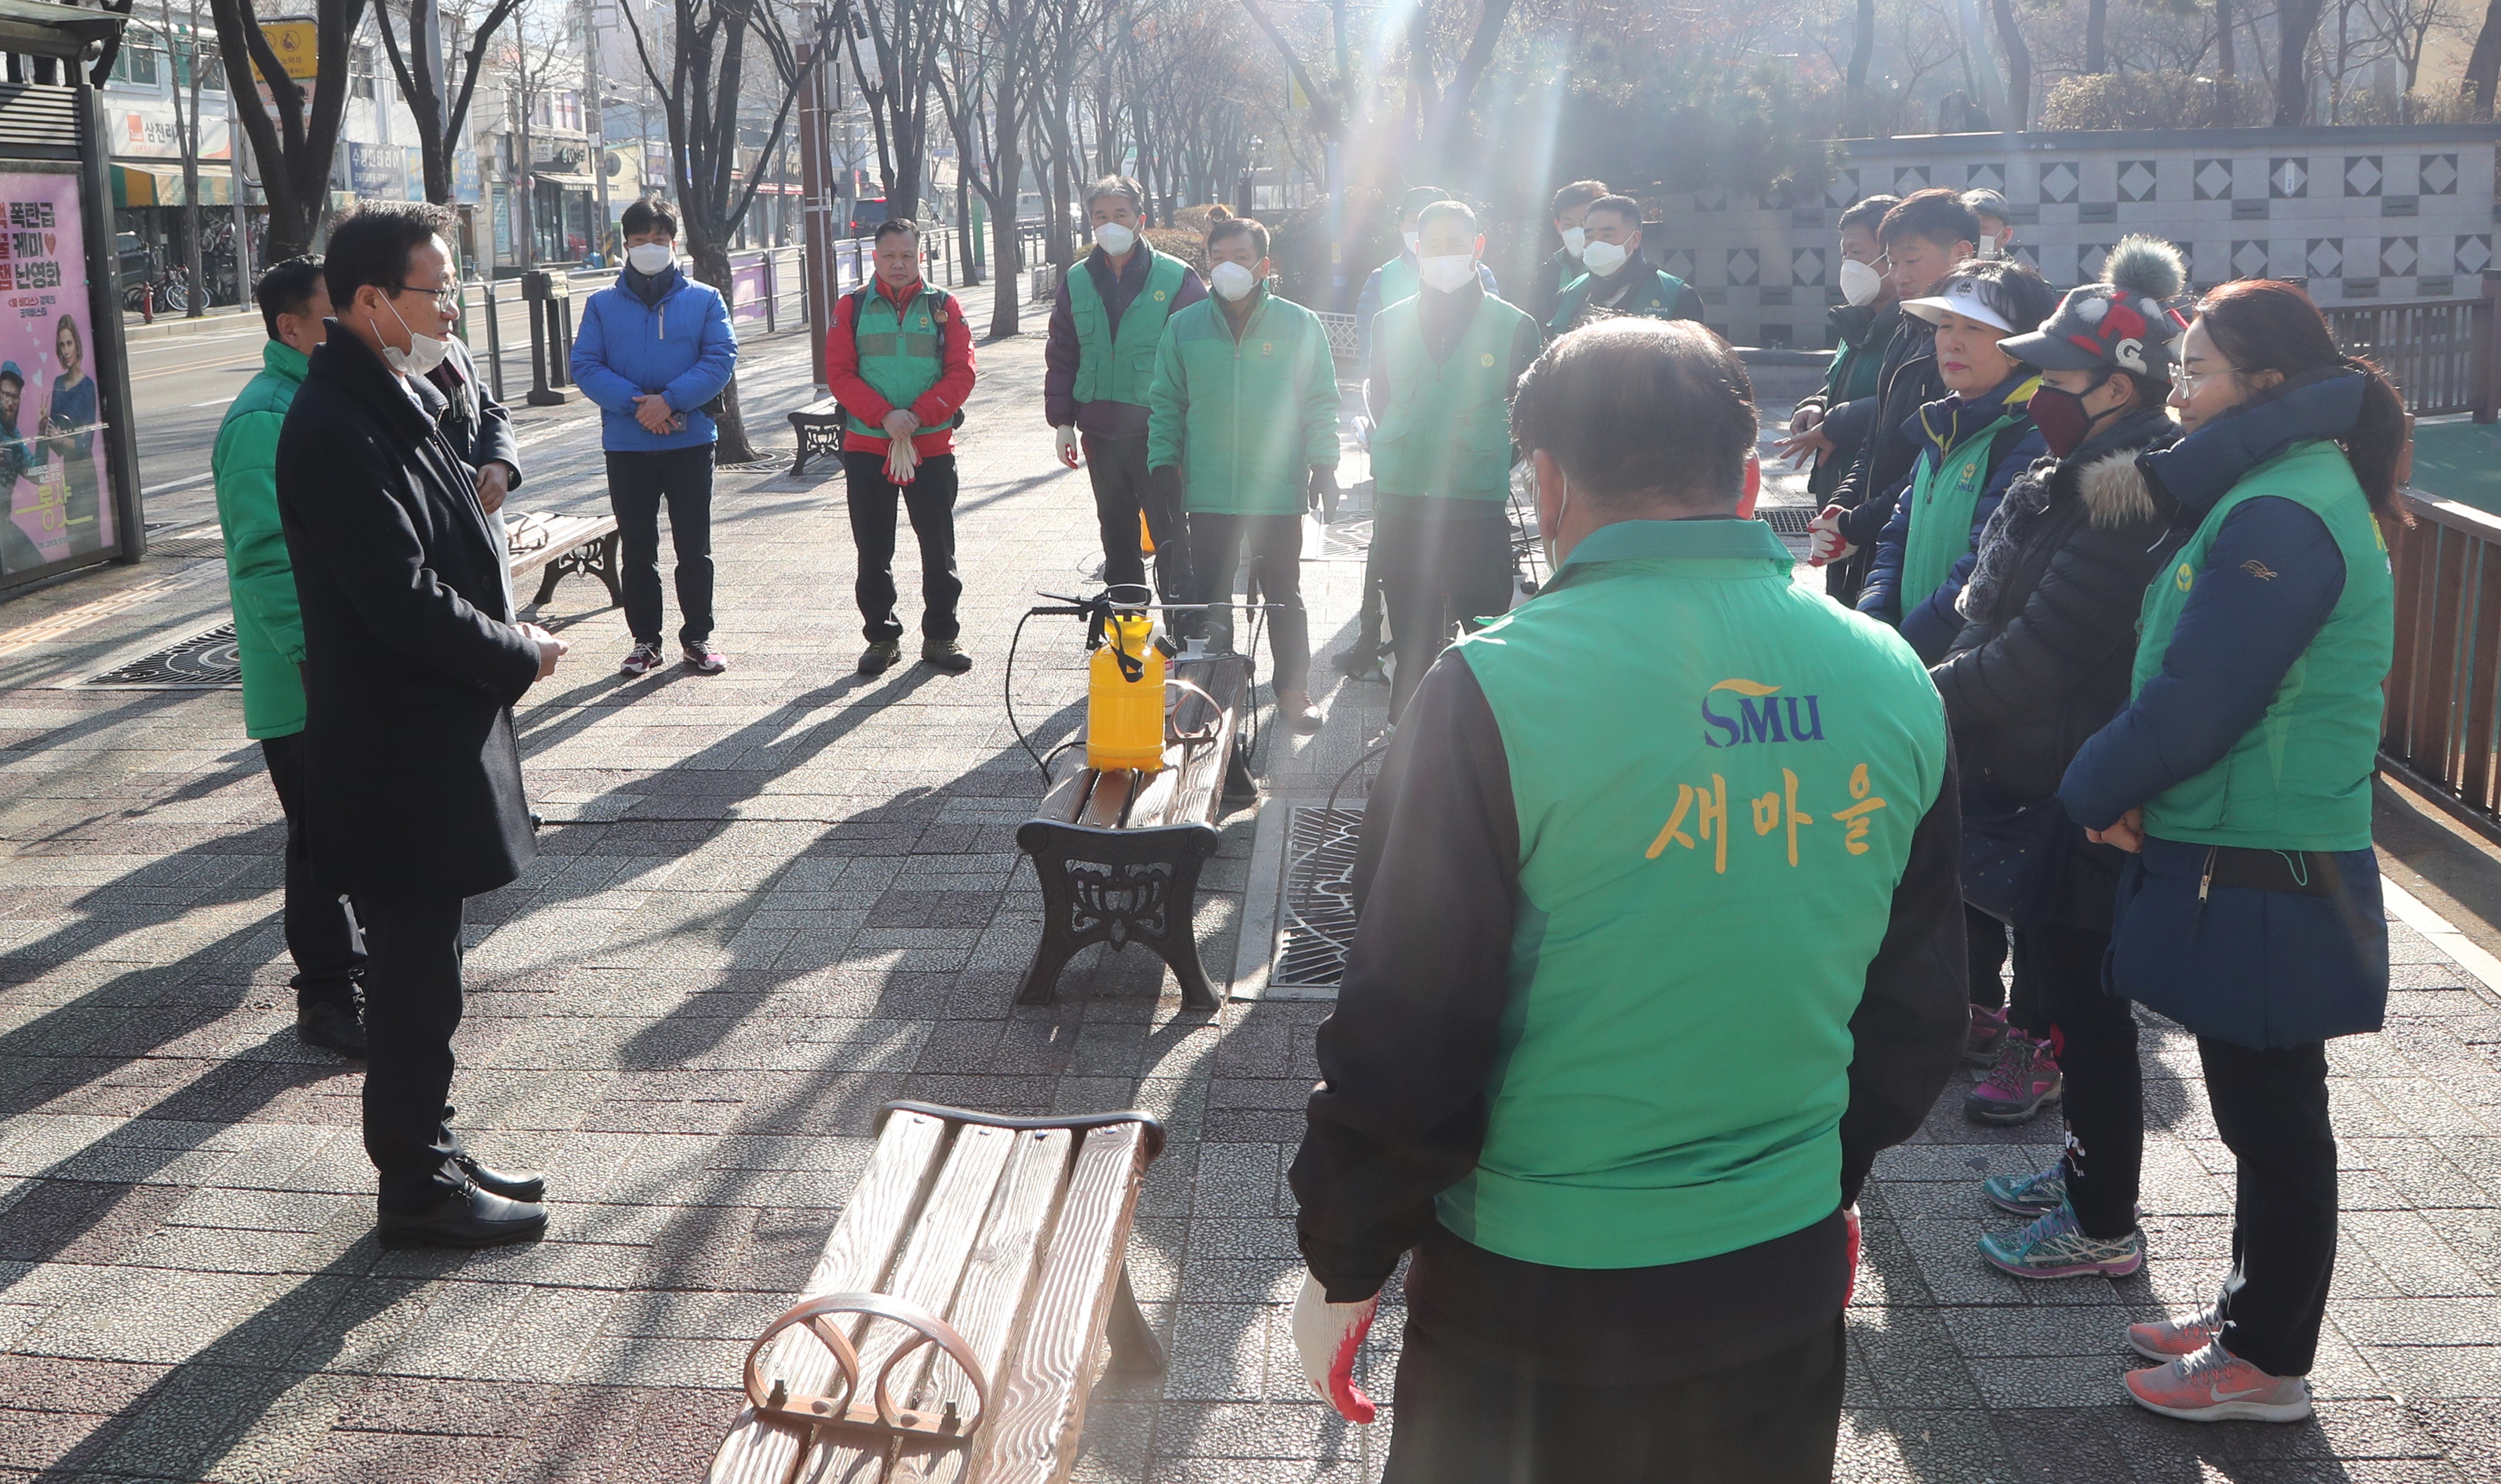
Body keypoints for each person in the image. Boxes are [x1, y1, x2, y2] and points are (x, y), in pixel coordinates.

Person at [1291, 318, 1966, 1483]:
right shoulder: (1891, 674)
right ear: (1751, 478)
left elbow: (1407, 1031)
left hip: (1530, 1300)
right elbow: (1916, 1007)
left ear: (1545, 484)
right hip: (1776, 1271)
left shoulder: (1490, 690)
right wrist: (1820, 1182)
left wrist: (1345, 1257)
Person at [2060, 280, 2400, 1424]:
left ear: (2264, 386)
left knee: (2275, 1122)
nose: (2179, 392)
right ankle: (2255, 1319)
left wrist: (2090, 786)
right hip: (2258, 853)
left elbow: (2200, 701)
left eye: (2197, 372)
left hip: (2270, 861)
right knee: (2265, 1113)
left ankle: (2265, 1365)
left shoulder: (2280, 510)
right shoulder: (2279, 489)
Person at [274, 202, 566, 1249]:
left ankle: (430, 1145)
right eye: (433, 292)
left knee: (427, 969)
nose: (449, 309)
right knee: (409, 978)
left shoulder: (389, 394)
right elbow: (396, 597)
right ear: (366, 304)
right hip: (393, 747)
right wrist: (514, 648)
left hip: (422, 733)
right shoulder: (334, 427)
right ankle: (416, 1184)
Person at [1932, 239, 2191, 1275]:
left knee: (2087, 1012)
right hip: (2035, 779)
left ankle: (2102, 1222)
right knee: (2061, 995)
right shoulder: (2078, 469)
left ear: (2119, 385)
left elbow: (2038, 655)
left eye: (2057, 371)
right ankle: (2088, 1178)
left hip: (2075, 790)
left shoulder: (2128, 489)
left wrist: (1914, 691)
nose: (2037, 384)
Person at [212, 256, 367, 1060]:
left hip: (345, 668)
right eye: (328, 311)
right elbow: (264, 558)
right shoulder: (262, 416)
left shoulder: (319, 392)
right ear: (291, 327)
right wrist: (315, 661)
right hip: (306, 680)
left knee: (354, 830)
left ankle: (357, 976)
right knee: (319, 842)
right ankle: (326, 999)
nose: (342, 321)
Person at [1146, 215, 1340, 733]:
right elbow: (1166, 402)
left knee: (1284, 590)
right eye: (1216, 257)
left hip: (1276, 488)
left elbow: (1320, 400)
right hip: (1208, 488)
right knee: (1211, 592)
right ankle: (1213, 691)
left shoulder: (1299, 324)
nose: (1226, 267)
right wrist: (1162, 464)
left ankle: (1293, 690)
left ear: (1264, 265)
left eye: (1239, 256)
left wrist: (1325, 463)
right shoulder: (1184, 326)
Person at [1362, 199, 1542, 723]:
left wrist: (1485, 454)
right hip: (1401, 500)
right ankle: (1404, 742)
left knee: (1484, 627)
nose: (1443, 254)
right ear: (1416, 250)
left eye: (1456, 244)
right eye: (1432, 244)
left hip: (1473, 502)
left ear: (1477, 247)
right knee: (1410, 629)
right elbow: (1381, 396)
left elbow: (1527, 415)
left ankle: (1490, 739)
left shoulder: (1514, 324)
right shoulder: (1388, 320)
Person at [1855, 257, 2057, 664]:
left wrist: (1901, 651)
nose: (1952, 341)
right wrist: (1874, 620)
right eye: (1945, 325)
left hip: (1960, 669)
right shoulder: (1942, 422)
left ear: (2018, 348)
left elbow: (1983, 564)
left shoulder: (2033, 435)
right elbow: (1896, 534)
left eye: (1974, 328)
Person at [570, 196, 738, 678]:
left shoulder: (704, 299)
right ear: (624, 244)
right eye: (640, 240)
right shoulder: (601, 304)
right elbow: (585, 364)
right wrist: (638, 406)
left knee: (694, 545)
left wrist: (671, 400)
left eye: (659, 241)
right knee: (638, 549)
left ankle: (698, 638)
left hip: (690, 440)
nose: (650, 248)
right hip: (628, 444)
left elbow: (720, 357)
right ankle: (645, 642)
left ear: (674, 243)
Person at [1806, 189, 1980, 607]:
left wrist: (1856, 522)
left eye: (1911, 260)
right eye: (1891, 262)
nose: (1899, 275)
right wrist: (1843, 503)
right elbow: (1878, 436)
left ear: (1961, 253)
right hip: (1871, 538)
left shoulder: (1973, 347)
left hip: (1918, 544)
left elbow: (1928, 464)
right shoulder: (1908, 327)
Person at [1044, 176, 1205, 610]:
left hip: (1159, 434)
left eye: (1120, 214)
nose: (1110, 224)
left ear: (1140, 219)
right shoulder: (1077, 279)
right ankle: (1127, 626)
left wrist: (1197, 429)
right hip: (1099, 433)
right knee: (1116, 538)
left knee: (1171, 536)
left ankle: (1181, 632)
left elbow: (1199, 357)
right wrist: (1062, 422)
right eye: (1100, 216)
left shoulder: (1176, 278)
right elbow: (1063, 351)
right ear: (1090, 223)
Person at [825, 219, 977, 675]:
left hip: (930, 445)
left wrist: (919, 415)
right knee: (873, 549)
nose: (898, 264)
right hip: (868, 446)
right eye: (889, 256)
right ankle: (881, 637)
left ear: (920, 257)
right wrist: (884, 416)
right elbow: (839, 373)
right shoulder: (851, 306)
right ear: (874, 258)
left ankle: (941, 637)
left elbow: (962, 371)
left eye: (906, 256)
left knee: (938, 546)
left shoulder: (944, 305)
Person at [1777, 193, 1900, 605]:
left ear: (1890, 255)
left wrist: (1838, 424)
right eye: (1843, 251)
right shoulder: (1858, 320)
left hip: (1879, 499)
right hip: (1838, 496)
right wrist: (1814, 407)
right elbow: (1839, 386)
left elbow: (1908, 404)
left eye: (1856, 251)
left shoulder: (1918, 327)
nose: (1847, 264)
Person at [1543, 193, 1703, 336]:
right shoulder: (1568, 295)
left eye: (1607, 235)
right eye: (1590, 236)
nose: (1596, 244)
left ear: (1635, 240)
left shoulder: (1676, 296)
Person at [39, 314, 101, 556]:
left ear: (78, 345)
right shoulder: (57, 383)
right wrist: (47, 429)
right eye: (61, 345)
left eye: (69, 343)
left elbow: (86, 442)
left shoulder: (87, 386)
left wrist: (62, 439)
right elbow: (55, 442)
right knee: (72, 534)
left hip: (84, 471)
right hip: (67, 472)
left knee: (88, 532)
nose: (66, 351)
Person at [1524, 178, 1608, 326]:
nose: (1577, 231)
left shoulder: (1617, 267)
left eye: (1584, 223)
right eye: (1569, 224)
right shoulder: (1546, 273)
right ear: (1558, 226)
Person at [0, 364, 45, 574]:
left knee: (39, 568)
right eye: (6, 395)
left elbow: (37, 475)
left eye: (15, 397)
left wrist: (43, 435)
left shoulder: (14, 436)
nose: (10, 402)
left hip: (4, 525)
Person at [1964, 188, 2015, 258]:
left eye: (1982, 228)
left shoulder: (2015, 269)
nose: (1971, 233)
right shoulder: (1945, 267)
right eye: (1966, 227)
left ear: (2005, 236)